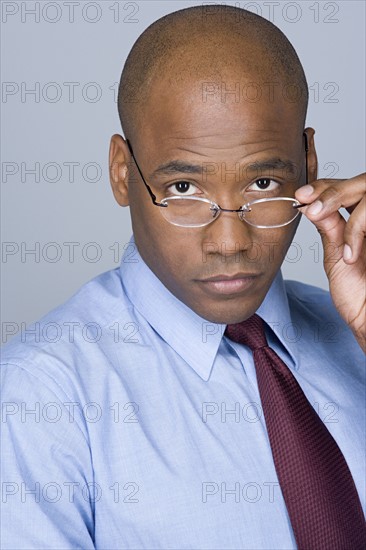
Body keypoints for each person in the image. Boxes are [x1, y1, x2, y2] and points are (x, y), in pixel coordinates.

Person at [1, 5, 365, 549]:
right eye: (183, 190)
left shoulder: (353, 334)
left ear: (309, 164)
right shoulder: (41, 398)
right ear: (123, 173)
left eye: (263, 182)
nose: (229, 243)